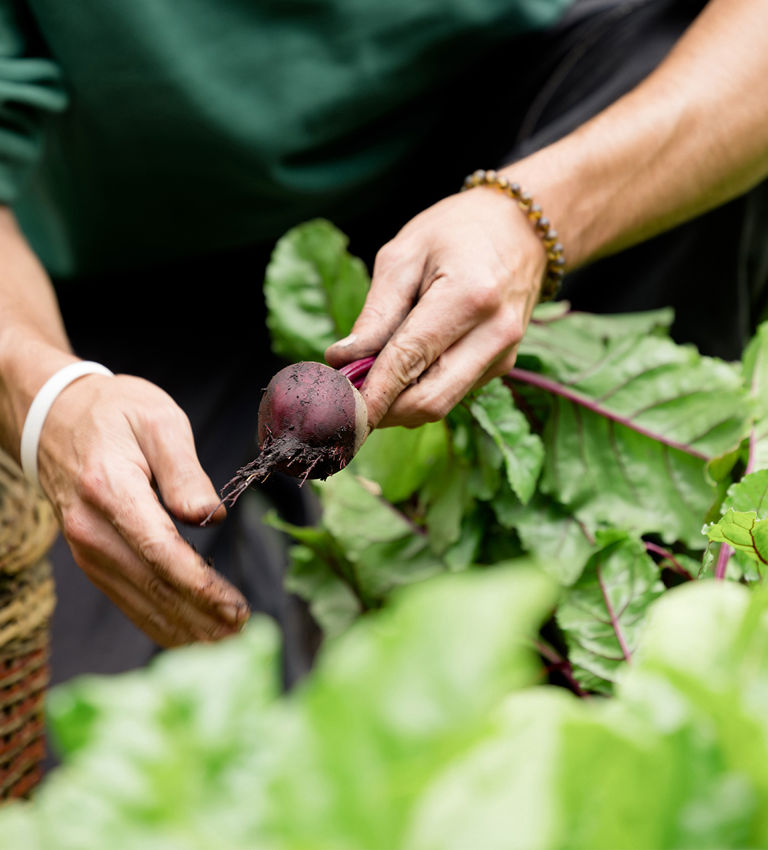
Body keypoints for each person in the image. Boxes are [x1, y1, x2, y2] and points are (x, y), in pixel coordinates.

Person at [0, 0, 766, 686]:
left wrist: (536, 216)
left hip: (519, 133)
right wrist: (51, 398)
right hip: (134, 286)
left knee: (664, 57)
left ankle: (634, 584)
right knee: (124, 730)